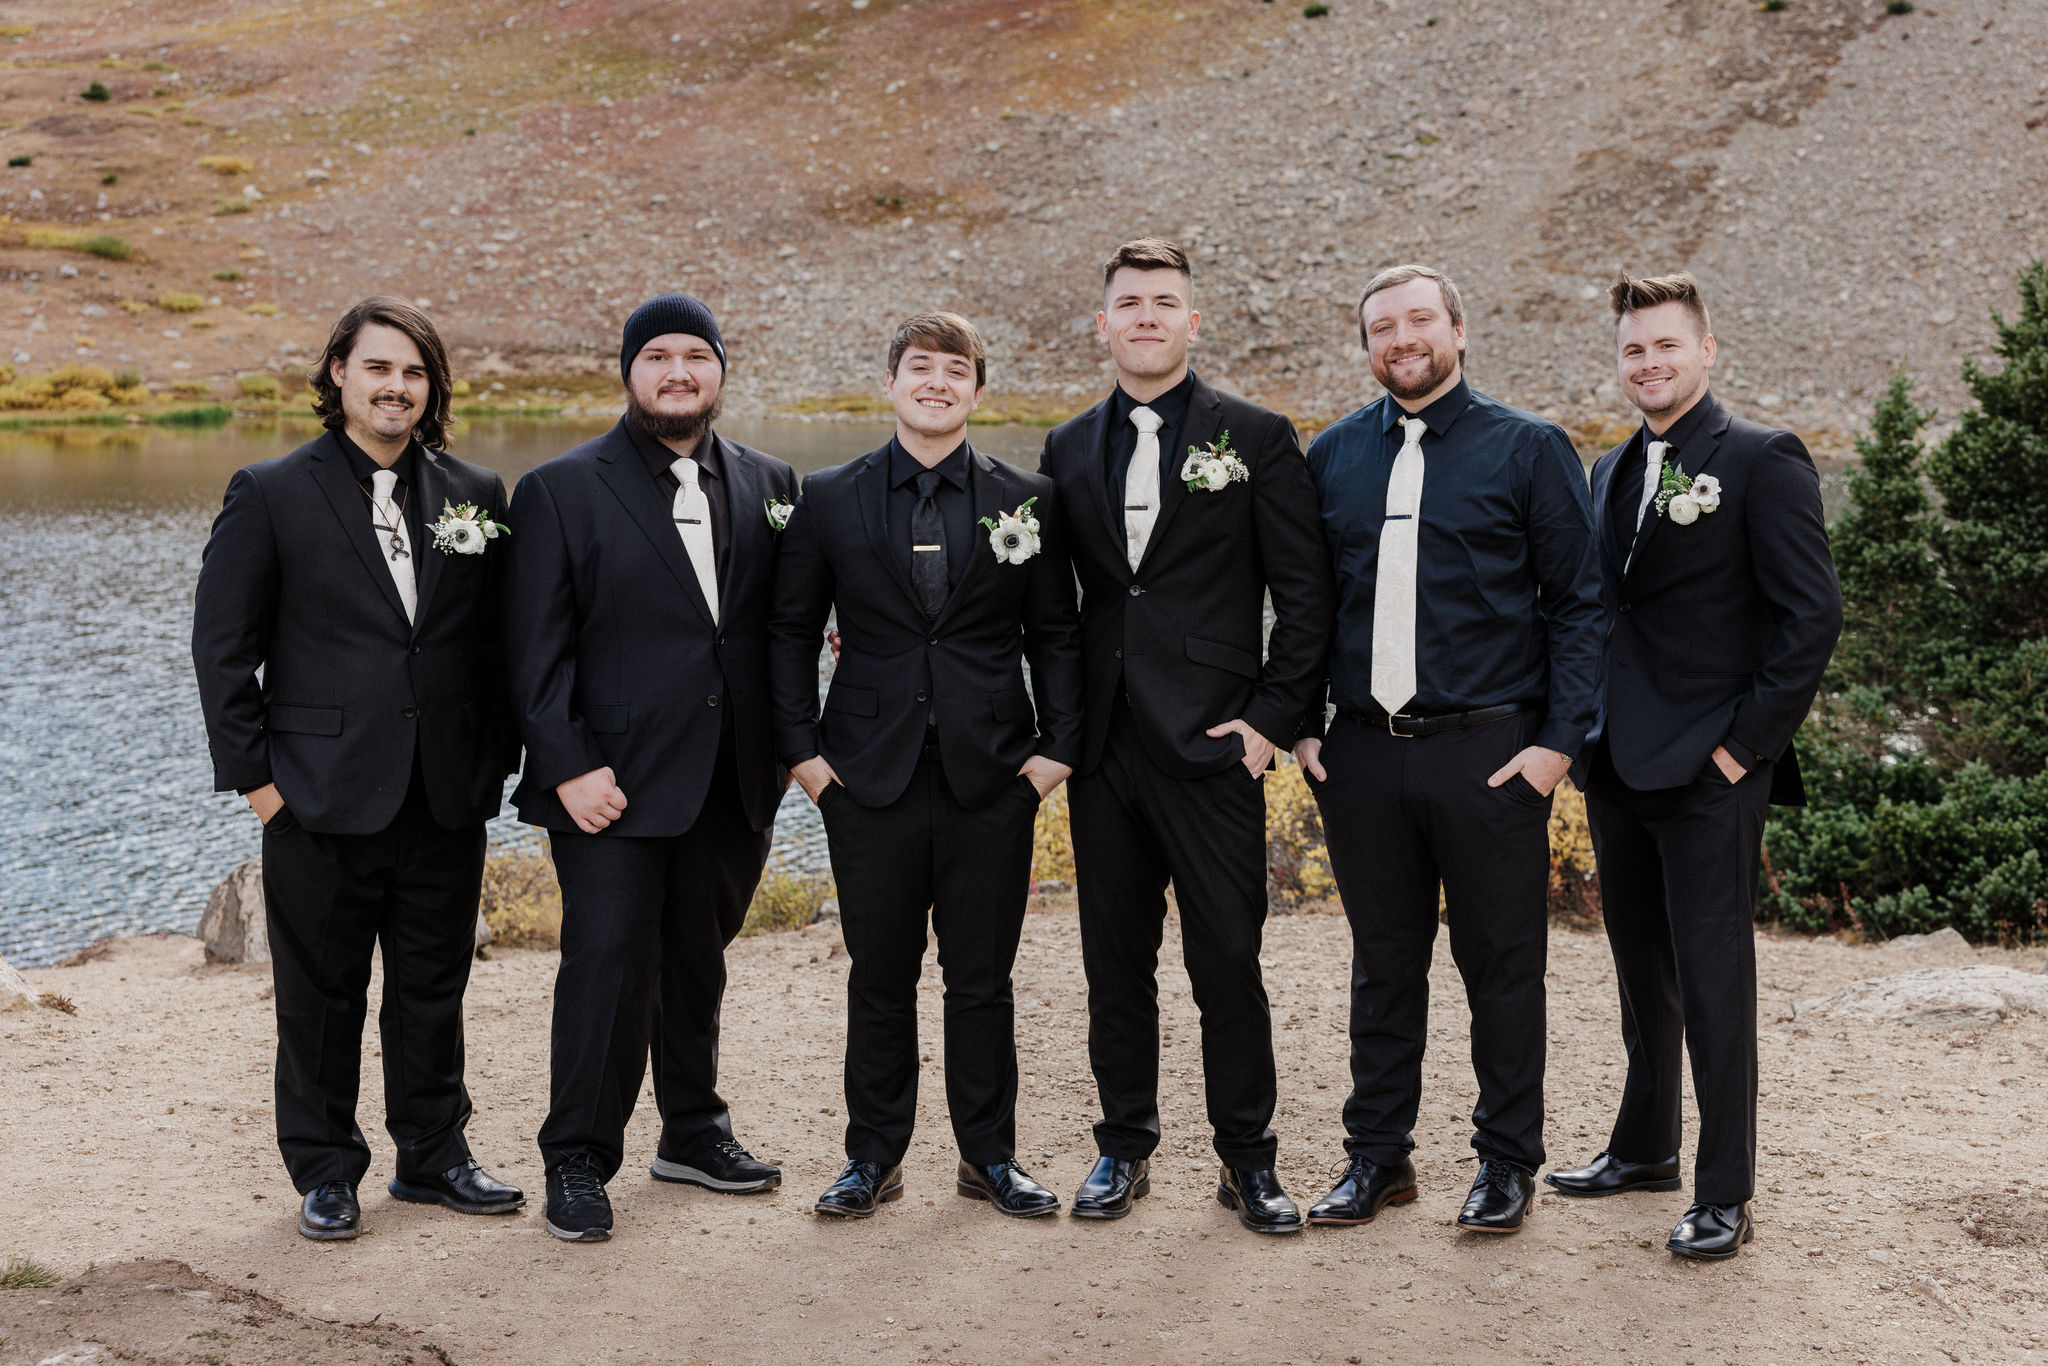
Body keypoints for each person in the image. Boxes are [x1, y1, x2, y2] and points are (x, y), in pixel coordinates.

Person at [192, 296, 524, 1241]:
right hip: (318, 798)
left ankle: (433, 1155)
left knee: (434, 984)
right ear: (338, 372)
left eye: (414, 372)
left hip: (446, 793)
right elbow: (222, 651)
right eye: (379, 368)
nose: (396, 387)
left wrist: (492, 762)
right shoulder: (271, 491)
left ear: (432, 387)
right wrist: (261, 785)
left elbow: (498, 645)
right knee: (323, 997)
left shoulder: (475, 494)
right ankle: (327, 1170)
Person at [1294, 264, 1603, 1236]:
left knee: (1500, 965)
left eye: (1417, 319)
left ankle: (1505, 1161)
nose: (1400, 338)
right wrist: (1302, 717)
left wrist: (1557, 744)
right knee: (1381, 965)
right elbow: (1307, 606)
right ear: (1366, 347)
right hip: (1360, 754)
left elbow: (1580, 606)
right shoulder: (1331, 456)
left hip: (1489, 750)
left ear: (1458, 331)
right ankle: (1376, 1158)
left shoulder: (1529, 448)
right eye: (1381, 327)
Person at [1037, 239, 1335, 1233]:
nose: (1147, 317)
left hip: (1213, 746)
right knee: (1112, 962)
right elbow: (1050, 603)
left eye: (1165, 302)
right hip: (1105, 751)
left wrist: (1267, 724)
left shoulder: (1252, 435)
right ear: (1103, 323)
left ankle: (1247, 1160)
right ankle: (1122, 1147)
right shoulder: (1067, 446)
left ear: (1191, 321)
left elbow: (1304, 596)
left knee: (1225, 962)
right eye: (1129, 303)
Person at [1545, 272, 1840, 1261]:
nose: (1647, 363)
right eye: (1632, 350)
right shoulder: (1608, 469)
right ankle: (1643, 1149)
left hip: (1710, 767)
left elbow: (1810, 619)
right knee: (1640, 972)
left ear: (1704, 350)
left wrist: (1738, 747)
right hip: (1617, 763)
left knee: (1713, 978)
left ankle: (1722, 1189)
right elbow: (1600, 612)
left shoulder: (1760, 459)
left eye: (1665, 346)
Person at [769, 312, 1083, 1219]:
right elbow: (790, 632)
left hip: (995, 780)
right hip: (865, 781)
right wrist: (806, 760)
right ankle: (872, 1156)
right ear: (892, 382)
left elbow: (1056, 633)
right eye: (920, 367)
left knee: (982, 980)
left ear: (977, 391)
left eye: (956, 369)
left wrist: (1053, 755)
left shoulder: (1029, 495)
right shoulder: (829, 496)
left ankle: (990, 1158)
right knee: (880, 976)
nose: (937, 382)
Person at [503, 294, 798, 1243]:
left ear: (721, 370)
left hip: (733, 778)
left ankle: (693, 1131)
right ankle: (578, 1157)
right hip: (609, 786)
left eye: (696, 357)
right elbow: (530, 655)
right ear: (628, 372)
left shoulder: (770, 480)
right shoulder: (561, 488)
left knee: (697, 962)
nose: (678, 372)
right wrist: (568, 766)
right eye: (658, 356)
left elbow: (783, 624)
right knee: (605, 967)